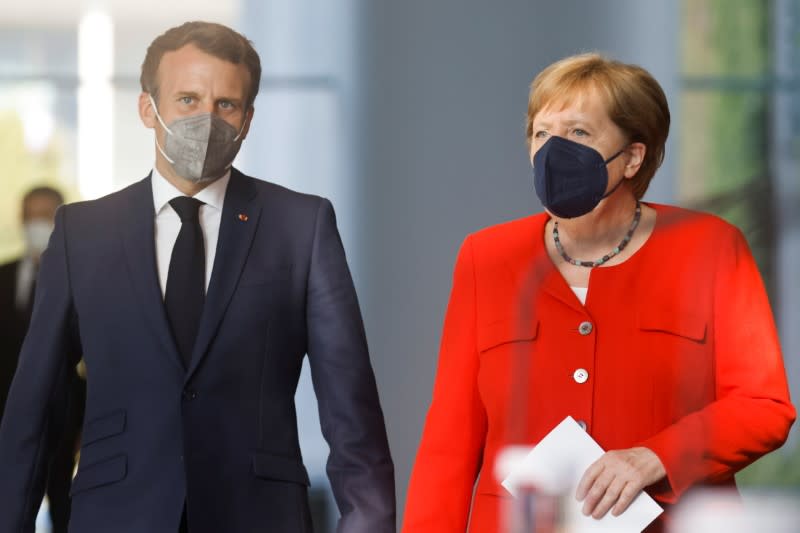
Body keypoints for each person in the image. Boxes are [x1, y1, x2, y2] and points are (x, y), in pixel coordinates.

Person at [0, 21, 395, 533]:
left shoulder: (302, 225)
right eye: (187, 99)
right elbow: (35, 405)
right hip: (117, 515)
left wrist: (368, 522)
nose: (206, 118)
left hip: (259, 515)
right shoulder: (83, 233)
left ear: (248, 119)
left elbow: (351, 408)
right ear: (149, 108)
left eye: (225, 105)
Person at [401, 53, 795, 532]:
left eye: (579, 133)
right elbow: (451, 435)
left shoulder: (710, 248)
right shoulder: (487, 256)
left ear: (633, 156)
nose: (553, 150)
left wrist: (656, 457)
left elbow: (763, 407)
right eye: (542, 133)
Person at [0, 186, 85, 533]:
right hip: (5, 411)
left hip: (61, 414)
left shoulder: (82, 277)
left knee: (62, 499)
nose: (37, 224)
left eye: (45, 215)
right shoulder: (3, 275)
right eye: (31, 216)